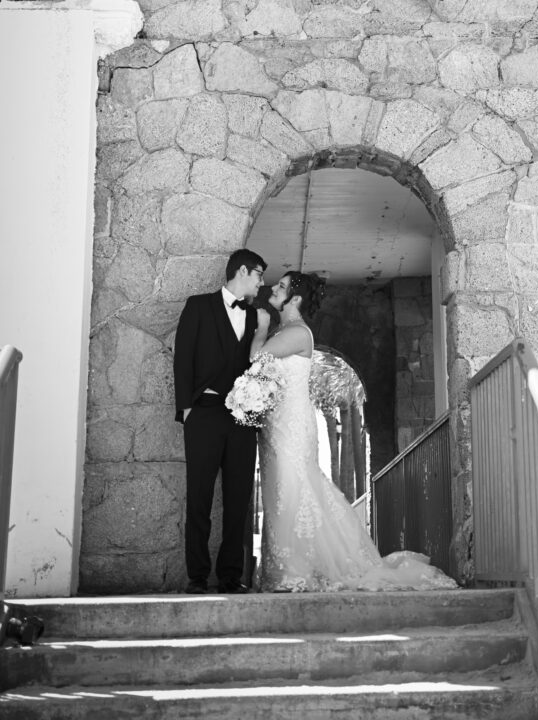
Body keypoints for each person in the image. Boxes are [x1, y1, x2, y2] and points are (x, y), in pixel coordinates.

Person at [252, 270, 456, 592]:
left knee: (293, 488)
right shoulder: (285, 330)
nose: (274, 289)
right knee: (283, 490)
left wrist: (260, 329)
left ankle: (296, 569)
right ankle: (285, 567)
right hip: (278, 422)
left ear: (296, 298)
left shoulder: (296, 333)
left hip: (290, 425)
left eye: (281, 286)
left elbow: (255, 358)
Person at [173, 247, 268, 594]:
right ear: (242, 271)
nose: (262, 283)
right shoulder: (198, 306)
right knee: (198, 496)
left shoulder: (258, 316)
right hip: (205, 415)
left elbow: (259, 365)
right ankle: (197, 576)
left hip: (243, 420)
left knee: (239, 498)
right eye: (259, 274)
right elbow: (182, 358)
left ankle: (231, 575)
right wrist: (186, 410)